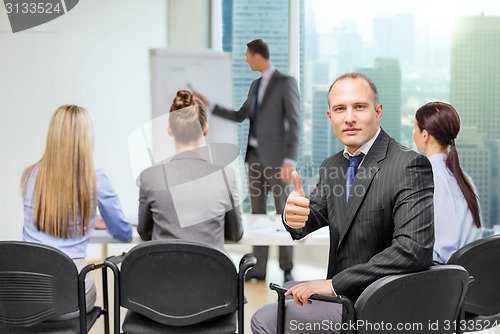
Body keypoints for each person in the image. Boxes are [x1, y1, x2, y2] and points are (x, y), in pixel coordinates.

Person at [251, 73, 435, 334]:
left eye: (359, 107)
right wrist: (292, 215)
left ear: (378, 111)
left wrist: (333, 284)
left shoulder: (407, 165)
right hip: (344, 300)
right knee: (286, 294)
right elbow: (309, 216)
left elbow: (413, 249)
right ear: (330, 117)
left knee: (265, 319)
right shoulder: (332, 166)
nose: (349, 118)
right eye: (340, 109)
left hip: (382, 303)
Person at [195, 39, 300, 282]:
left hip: (277, 160)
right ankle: (260, 268)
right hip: (253, 159)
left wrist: (289, 159)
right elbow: (241, 115)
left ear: (257, 56)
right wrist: (210, 106)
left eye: (247, 56)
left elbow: (295, 123)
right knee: (258, 214)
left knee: (285, 213)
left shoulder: (286, 83)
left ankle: (287, 268)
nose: (245, 60)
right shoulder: (255, 86)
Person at [21, 105, 133, 315]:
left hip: (26, 291)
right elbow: (123, 232)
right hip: (70, 292)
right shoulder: (96, 179)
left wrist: (89, 219)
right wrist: (96, 220)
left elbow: (51, 213)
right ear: (86, 138)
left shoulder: (29, 176)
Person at [137, 90, 243, 250]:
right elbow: (235, 234)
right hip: (212, 274)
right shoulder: (226, 176)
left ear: (169, 129)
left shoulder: (149, 177)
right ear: (205, 129)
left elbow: (144, 233)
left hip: (162, 272)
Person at [414, 101, 482, 263]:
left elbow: (444, 249)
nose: (414, 134)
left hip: (441, 276)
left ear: (425, 135)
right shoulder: (465, 178)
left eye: (415, 129)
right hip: (465, 275)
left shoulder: (428, 175)